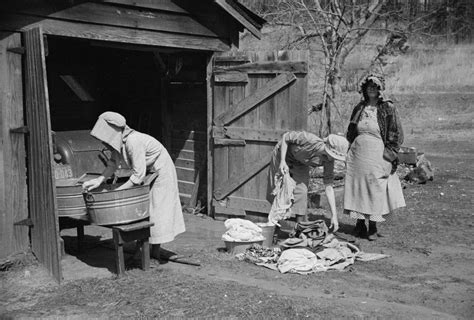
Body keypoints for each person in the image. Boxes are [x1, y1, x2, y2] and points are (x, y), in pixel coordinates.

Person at [83, 112, 185, 258]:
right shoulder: (120, 143)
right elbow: (113, 164)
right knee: (143, 209)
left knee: (157, 210)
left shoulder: (133, 141)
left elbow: (138, 176)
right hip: (149, 172)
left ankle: (154, 251)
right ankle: (143, 248)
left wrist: (117, 193)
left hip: (162, 171)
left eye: (105, 140)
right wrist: (99, 180)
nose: (104, 143)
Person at [344, 74, 406, 241]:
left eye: (375, 86)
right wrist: (348, 149)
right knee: (358, 187)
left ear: (380, 89)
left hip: (377, 154)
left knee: (375, 188)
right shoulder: (359, 108)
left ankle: (372, 226)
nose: (371, 88)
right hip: (358, 154)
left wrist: (390, 154)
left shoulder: (387, 108)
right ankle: (358, 224)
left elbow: (396, 133)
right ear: (364, 89)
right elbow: (350, 131)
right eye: (368, 86)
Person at [267, 131, 349, 232]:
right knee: (279, 191)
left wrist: (334, 216)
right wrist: (283, 161)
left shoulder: (329, 161)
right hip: (283, 155)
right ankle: (274, 230)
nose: (333, 159)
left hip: (300, 164)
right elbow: (286, 137)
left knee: (302, 192)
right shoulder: (309, 140)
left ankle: (299, 231)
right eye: (333, 156)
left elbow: (328, 187)